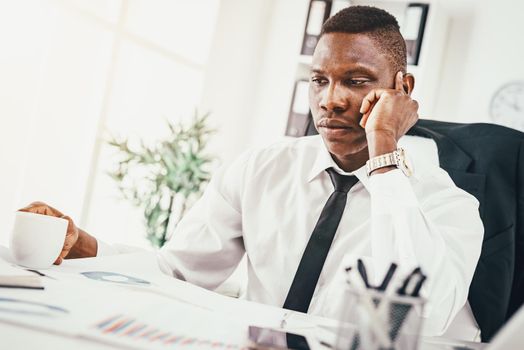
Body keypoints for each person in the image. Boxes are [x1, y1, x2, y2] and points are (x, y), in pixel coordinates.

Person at [20, 6, 483, 337]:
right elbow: (178, 271)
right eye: (319, 80)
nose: (330, 100)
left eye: (356, 81)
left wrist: (384, 152)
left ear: (402, 89)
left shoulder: (449, 204)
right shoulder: (262, 169)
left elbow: (424, 313)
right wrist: (86, 246)